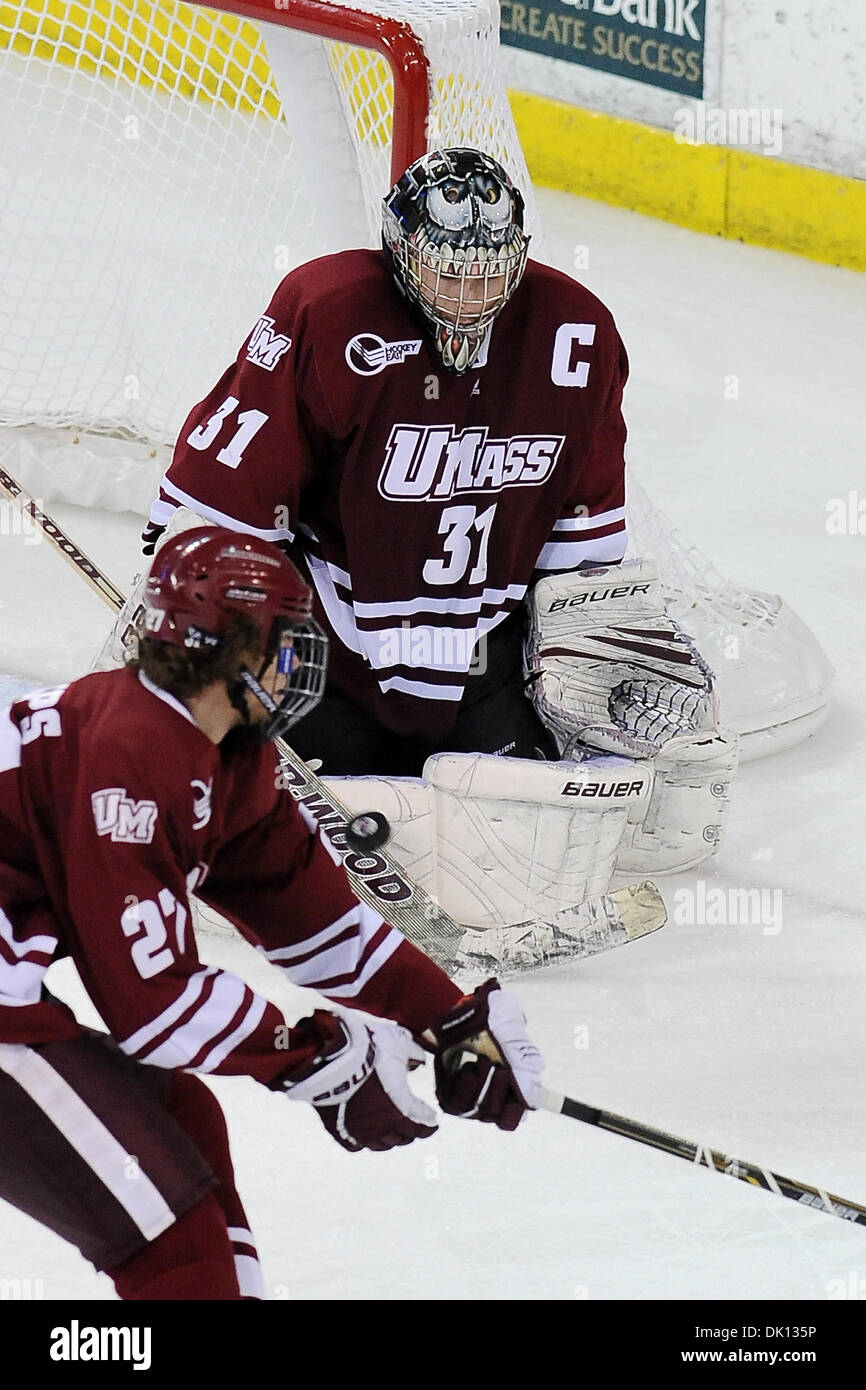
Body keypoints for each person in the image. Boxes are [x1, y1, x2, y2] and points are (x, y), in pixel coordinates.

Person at [0, 526, 544, 1301]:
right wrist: (320, 1057)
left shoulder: (224, 753)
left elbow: (314, 920)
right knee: (167, 1237)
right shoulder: (132, 752)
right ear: (221, 648)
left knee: (180, 1118)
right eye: (285, 642)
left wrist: (448, 1015)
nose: (300, 664)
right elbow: (152, 1006)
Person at [141, 147, 630, 776]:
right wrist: (199, 624)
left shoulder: (576, 334)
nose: (467, 298)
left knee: (521, 833)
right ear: (399, 249)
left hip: (486, 661)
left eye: (486, 274)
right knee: (257, 814)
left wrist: (589, 657)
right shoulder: (330, 312)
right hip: (328, 660)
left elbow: (584, 551)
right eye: (447, 273)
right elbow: (228, 501)